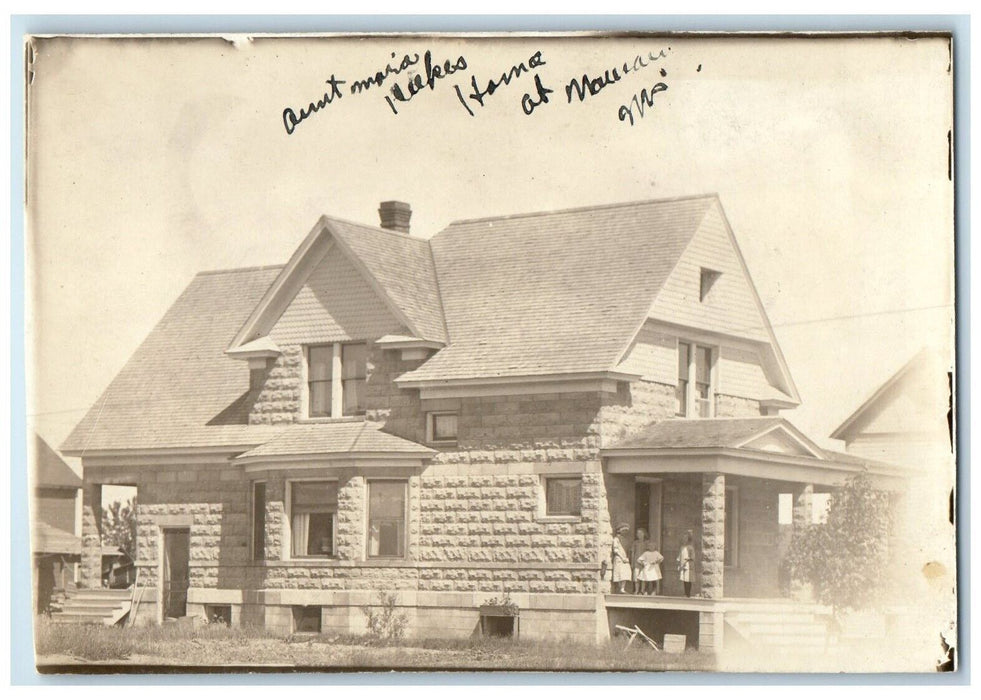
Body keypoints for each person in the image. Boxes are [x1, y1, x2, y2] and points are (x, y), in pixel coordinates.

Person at [611, 524, 632, 594]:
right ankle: (620, 588)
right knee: (619, 572)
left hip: (625, 558)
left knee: (625, 573)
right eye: (623, 530)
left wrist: (627, 557)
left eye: (626, 531)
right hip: (619, 557)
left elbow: (628, 550)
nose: (625, 532)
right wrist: (622, 557)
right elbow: (616, 550)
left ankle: (622, 588)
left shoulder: (626, 540)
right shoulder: (616, 539)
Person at [630, 528, 648, 594]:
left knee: (643, 576)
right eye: (638, 533)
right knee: (636, 576)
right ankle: (636, 590)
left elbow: (648, 552)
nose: (639, 535)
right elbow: (632, 553)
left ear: (644, 534)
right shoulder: (635, 543)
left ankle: (642, 590)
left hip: (644, 562)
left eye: (641, 533)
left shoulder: (646, 543)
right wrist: (632, 562)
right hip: (636, 561)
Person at [677, 531, 694, 597]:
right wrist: (679, 562)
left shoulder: (690, 547)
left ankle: (688, 593)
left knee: (688, 579)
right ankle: (685, 592)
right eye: (683, 539)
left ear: (688, 540)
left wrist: (689, 558)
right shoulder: (682, 547)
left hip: (688, 565)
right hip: (682, 565)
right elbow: (680, 555)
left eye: (685, 539)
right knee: (684, 579)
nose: (684, 540)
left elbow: (692, 556)